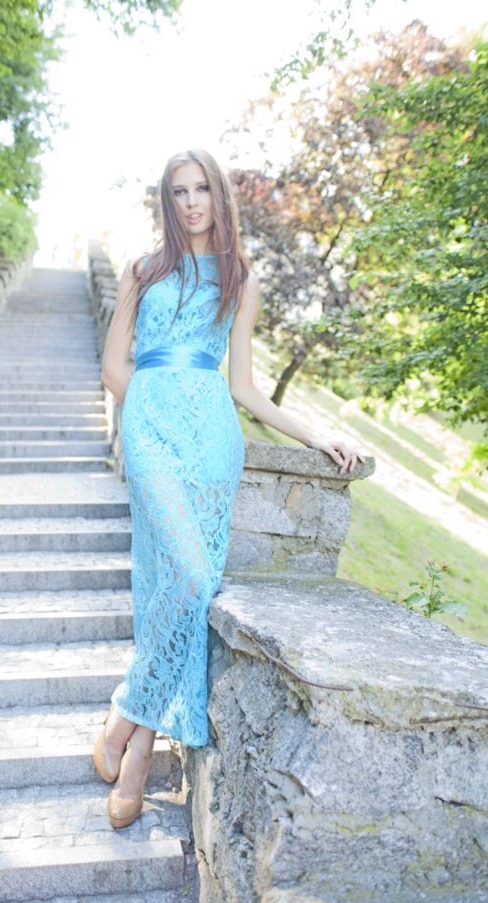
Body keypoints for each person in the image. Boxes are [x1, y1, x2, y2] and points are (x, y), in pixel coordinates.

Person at [96, 148, 363, 829]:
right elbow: (113, 368)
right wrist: (149, 419)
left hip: (213, 446)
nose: (190, 202)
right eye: (178, 192)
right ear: (167, 201)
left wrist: (317, 435)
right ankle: (136, 728)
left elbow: (244, 388)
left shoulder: (240, 278)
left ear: (218, 196)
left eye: (200, 190)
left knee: (185, 585)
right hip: (153, 438)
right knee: (184, 574)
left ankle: (133, 730)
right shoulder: (141, 271)